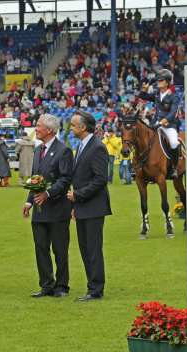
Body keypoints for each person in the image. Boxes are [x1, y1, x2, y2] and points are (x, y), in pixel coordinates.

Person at [23, 114, 73, 298]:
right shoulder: (38, 150)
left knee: (60, 249)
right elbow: (35, 179)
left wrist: (48, 194)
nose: (35, 128)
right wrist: (29, 201)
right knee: (40, 248)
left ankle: (61, 286)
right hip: (39, 210)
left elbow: (66, 179)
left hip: (58, 209)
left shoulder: (64, 151)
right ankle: (46, 285)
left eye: (38, 125)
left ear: (50, 130)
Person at [67, 110, 111, 301]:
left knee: (92, 249)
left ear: (83, 127)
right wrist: (76, 204)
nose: (70, 127)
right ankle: (91, 286)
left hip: (94, 207)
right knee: (85, 249)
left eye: (73, 125)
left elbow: (100, 179)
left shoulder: (97, 147)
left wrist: (77, 195)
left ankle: (96, 289)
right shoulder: (84, 145)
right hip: (84, 206)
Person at [139, 69, 180, 177]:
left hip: (168, 125)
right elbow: (142, 96)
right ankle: (139, 166)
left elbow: (172, 113)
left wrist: (163, 121)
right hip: (154, 124)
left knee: (174, 142)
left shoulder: (174, 96)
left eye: (161, 80)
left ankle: (174, 167)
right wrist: (146, 87)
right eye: (157, 80)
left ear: (167, 82)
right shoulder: (156, 94)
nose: (158, 82)